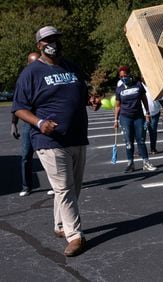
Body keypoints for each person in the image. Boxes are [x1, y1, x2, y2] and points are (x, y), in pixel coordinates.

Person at [11, 25, 100, 256]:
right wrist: (40, 123)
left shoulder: (71, 67)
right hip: (49, 140)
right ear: (39, 45)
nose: (54, 43)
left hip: (77, 137)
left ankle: (61, 225)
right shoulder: (30, 73)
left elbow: (81, 94)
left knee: (73, 188)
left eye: (57, 39)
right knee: (64, 189)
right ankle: (75, 235)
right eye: (49, 40)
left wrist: (91, 100)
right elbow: (19, 108)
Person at [11, 52, 55, 197]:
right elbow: (17, 105)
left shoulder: (44, 79)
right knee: (26, 156)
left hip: (44, 122)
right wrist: (13, 124)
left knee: (48, 156)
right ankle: (26, 186)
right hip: (28, 125)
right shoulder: (24, 80)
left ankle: (55, 185)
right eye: (33, 62)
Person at [113, 66, 158, 172]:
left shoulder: (138, 85)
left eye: (125, 75)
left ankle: (146, 163)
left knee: (141, 140)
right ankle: (130, 163)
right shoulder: (119, 89)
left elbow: (144, 99)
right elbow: (117, 105)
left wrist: (147, 113)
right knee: (128, 142)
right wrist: (115, 120)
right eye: (121, 76)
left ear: (129, 74)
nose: (123, 78)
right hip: (125, 118)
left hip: (138, 117)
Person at [141, 79, 163, 154]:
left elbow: (161, 100)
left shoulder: (154, 85)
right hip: (143, 114)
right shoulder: (139, 86)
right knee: (142, 133)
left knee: (153, 131)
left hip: (154, 113)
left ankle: (153, 148)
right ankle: (142, 150)